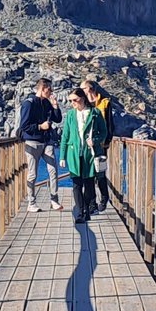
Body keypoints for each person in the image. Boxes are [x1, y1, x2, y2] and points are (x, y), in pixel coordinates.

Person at [17, 77, 62, 212]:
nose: (51, 91)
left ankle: (54, 200)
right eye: (49, 89)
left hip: (47, 141)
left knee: (53, 170)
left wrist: (55, 106)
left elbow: (58, 119)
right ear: (43, 89)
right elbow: (24, 126)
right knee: (32, 173)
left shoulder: (47, 103)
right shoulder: (28, 103)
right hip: (32, 141)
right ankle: (31, 202)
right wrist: (39, 127)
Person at [58, 85, 102, 223]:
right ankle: (81, 211)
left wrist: (94, 140)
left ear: (82, 98)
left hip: (89, 154)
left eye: (75, 100)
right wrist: (62, 156)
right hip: (73, 154)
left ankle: (86, 208)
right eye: (70, 101)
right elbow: (65, 135)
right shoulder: (71, 114)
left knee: (89, 184)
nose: (72, 103)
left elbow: (104, 132)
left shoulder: (95, 113)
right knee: (76, 184)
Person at [85, 78, 115, 210]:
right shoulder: (83, 104)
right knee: (88, 174)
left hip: (101, 145)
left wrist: (107, 141)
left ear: (89, 89)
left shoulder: (105, 103)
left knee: (100, 173)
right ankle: (92, 203)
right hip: (87, 146)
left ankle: (104, 197)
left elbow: (110, 124)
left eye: (83, 89)